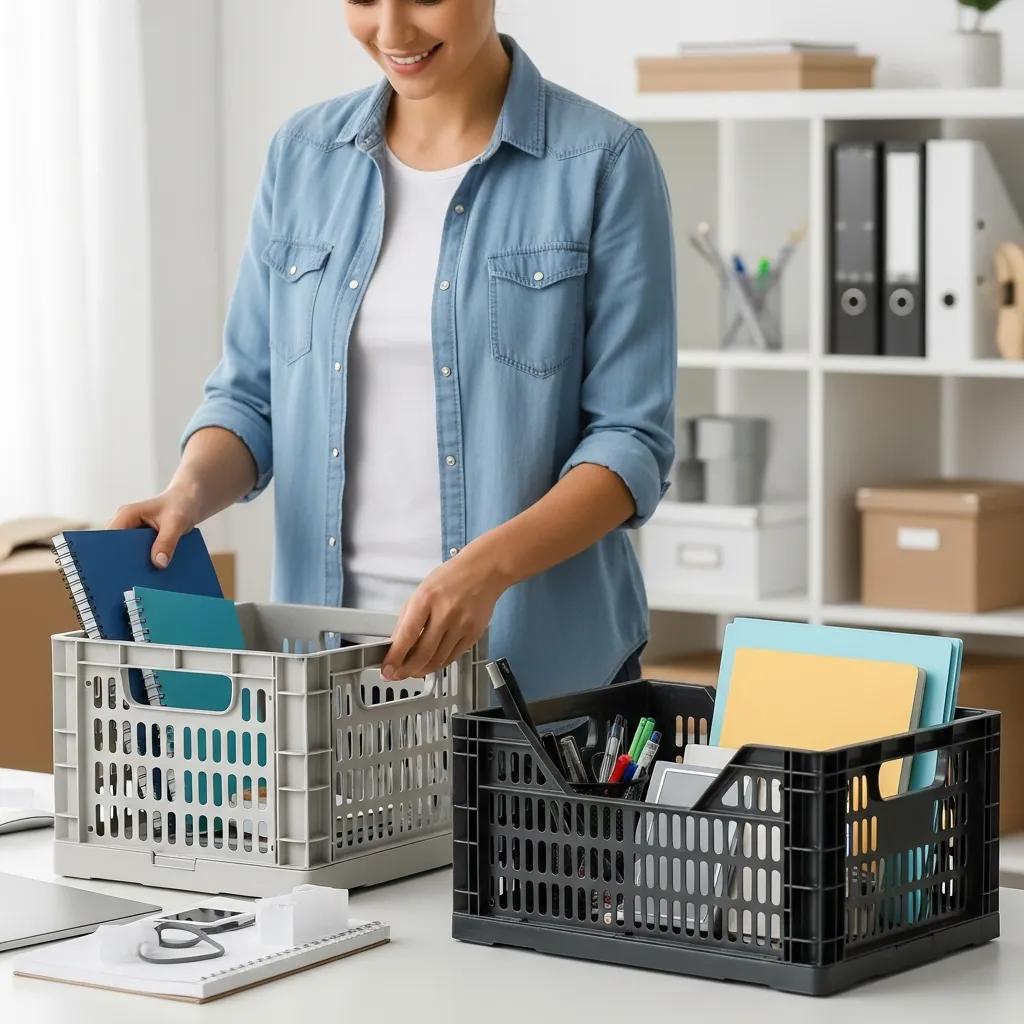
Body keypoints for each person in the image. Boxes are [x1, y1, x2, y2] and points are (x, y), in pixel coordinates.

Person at [111, 0, 676, 700]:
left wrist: (487, 570)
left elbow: (629, 443)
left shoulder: (602, 162)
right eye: (363, 0)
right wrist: (186, 492)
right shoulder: (304, 156)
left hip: (534, 678)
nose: (392, 31)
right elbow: (251, 397)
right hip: (327, 682)